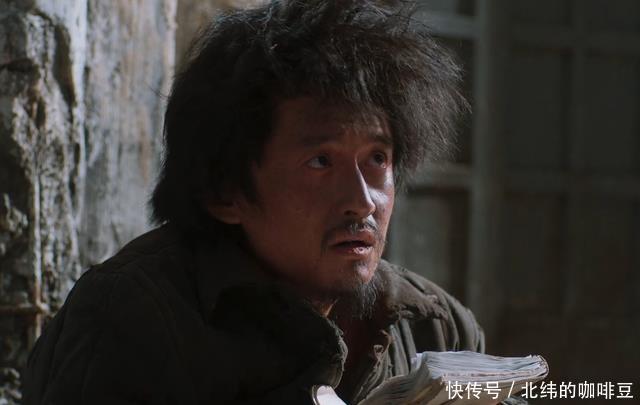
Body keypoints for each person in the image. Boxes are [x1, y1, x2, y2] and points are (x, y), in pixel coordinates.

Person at [22, 0, 494, 403]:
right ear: (226, 192)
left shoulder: (436, 326)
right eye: (320, 162)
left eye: (377, 159)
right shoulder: (130, 318)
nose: (362, 201)